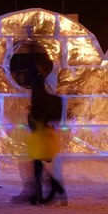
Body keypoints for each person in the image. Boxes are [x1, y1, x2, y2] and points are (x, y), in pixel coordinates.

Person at [25, 76, 67, 205]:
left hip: (40, 139)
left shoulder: (38, 100)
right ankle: (52, 189)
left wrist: (30, 113)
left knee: (37, 164)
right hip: (43, 137)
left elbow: (34, 122)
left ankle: (44, 191)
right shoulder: (42, 98)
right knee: (37, 164)